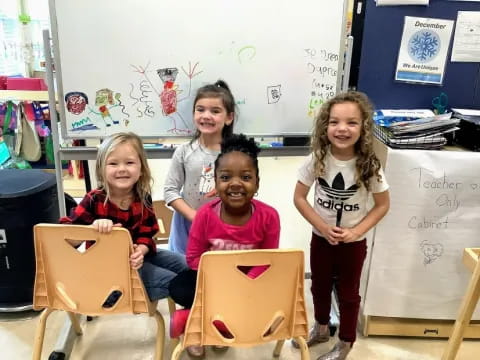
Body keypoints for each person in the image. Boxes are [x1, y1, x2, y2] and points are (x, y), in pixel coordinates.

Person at [292, 92, 390, 360]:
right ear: (325, 126)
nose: (342, 129)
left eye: (352, 122)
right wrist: (322, 227)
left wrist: (356, 232)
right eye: (334, 121)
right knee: (319, 286)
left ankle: (346, 343)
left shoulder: (369, 165)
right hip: (321, 240)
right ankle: (322, 328)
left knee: (348, 294)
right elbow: (299, 198)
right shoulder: (317, 159)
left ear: (364, 127)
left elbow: (382, 205)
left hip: (353, 244)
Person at [168, 134, 281, 357]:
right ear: (217, 182)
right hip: (211, 278)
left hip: (250, 279)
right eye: (226, 177)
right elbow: (192, 258)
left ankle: (208, 322)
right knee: (179, 287)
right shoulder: (204, 215)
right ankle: (199, 324)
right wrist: (221, 278)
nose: (236, 184)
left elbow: (268, 261)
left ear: (257, 183)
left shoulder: (269, 216)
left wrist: (243, 282)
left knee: (269, 292)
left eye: (246, 177)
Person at [60, 132, 188, 301]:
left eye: (129, 163)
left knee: (189, 264)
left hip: (139, 258)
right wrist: (92, 229)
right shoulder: (93, 199)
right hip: (109, 271)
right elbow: (65, 237)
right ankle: (115, 297)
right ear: (101, 169)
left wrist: (141, 251)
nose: (122, 169)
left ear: (141, 168)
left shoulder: (143, 197)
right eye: (113, 163)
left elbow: (147, 234)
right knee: (178, 283)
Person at [164, 80, 236, 254]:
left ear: (229, 117)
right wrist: (194, 217)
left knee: (217, 273)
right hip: (187, 226)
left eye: (215, 111)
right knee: (187, 273)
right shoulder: (184, 151)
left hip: (224, 226)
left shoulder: (237, 155)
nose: (206, 116)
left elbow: (249, 190)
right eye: (200, 109)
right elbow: (170, 191)